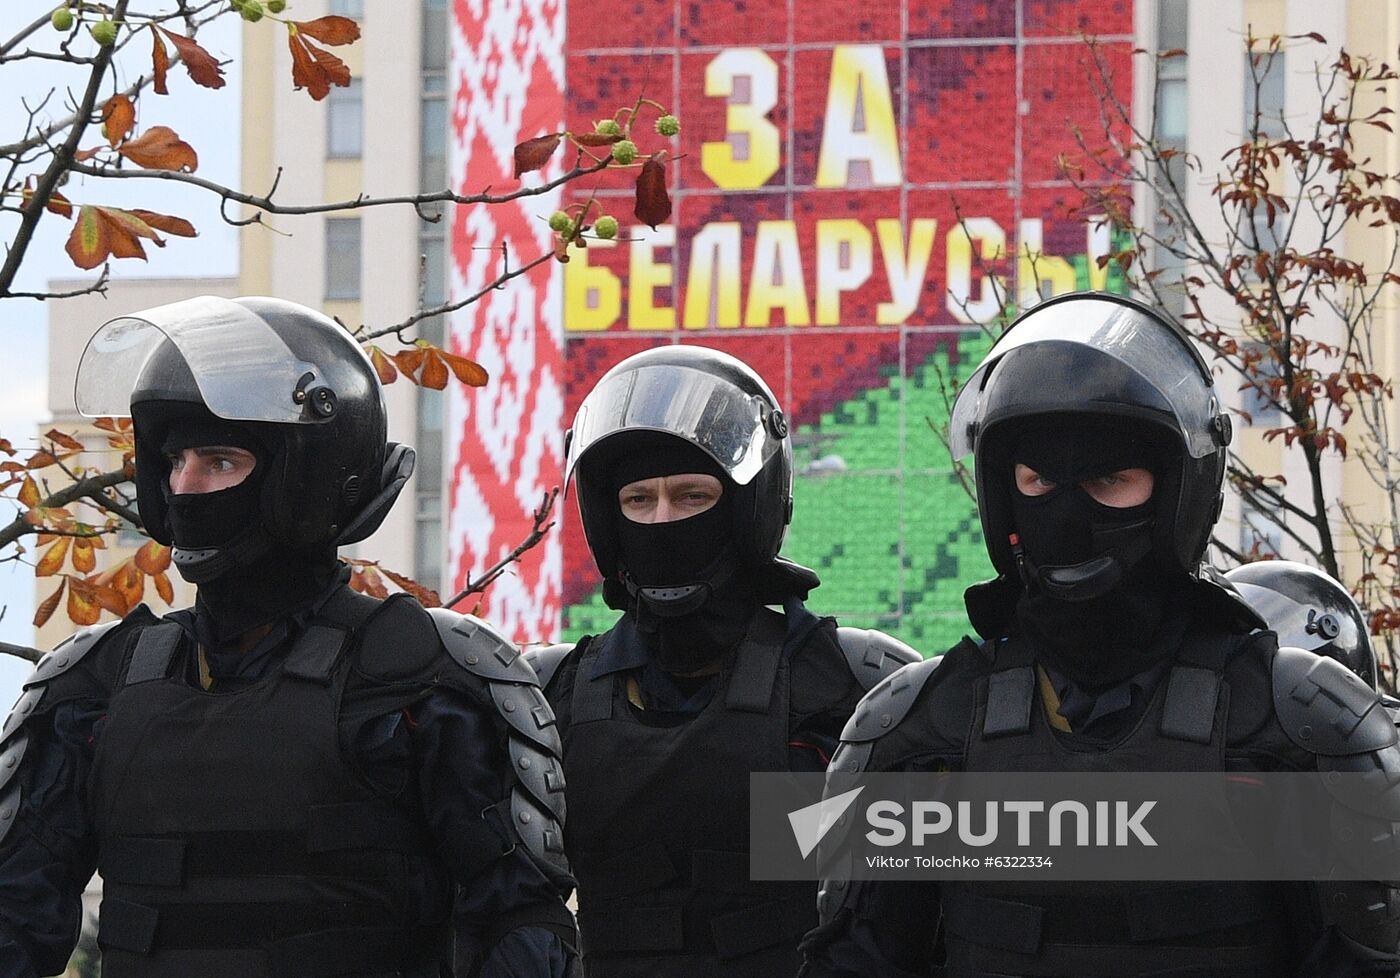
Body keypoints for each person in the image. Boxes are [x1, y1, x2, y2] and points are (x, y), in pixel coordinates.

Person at [801, 292, 1400, 977]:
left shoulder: (1300, 727)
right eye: (1039, 481)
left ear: (1177, 491)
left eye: (1108, 480)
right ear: (1006, 498)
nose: (1068, 511)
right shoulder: (913, 727)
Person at [0, 296, 577, 978]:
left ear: (307, 476)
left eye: (219, 460)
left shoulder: (426, 680)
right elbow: (14, 918)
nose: (185, 486)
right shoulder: (91, 685)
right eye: (175, 460)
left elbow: (521, 933)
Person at [523, 345, 919, 977]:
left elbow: (951, 897)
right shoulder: (549, 695)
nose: (662, 520)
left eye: (691, 496)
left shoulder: (855, 687)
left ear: (746, 508)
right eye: (638, 500)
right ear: (608, 518)